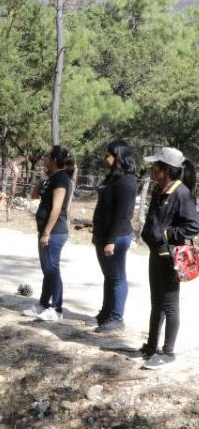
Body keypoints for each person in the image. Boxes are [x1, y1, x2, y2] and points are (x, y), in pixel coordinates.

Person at [137, 146, 199, 370]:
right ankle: (151, 346)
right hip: (157, 255)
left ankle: (168, 352)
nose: (151, 169)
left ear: (165, 170)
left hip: (171, 258)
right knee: (156, 302)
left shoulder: (181, 194)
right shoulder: (158, 189)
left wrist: (165, 234)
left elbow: (193, 226)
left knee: (170, 306)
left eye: (155, 166)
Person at [91, 140, 138, 334]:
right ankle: (106, 313)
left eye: (108, 154)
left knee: (117, 277)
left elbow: (123, 214)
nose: (105, 157)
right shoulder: (112, 178)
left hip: (116, 237)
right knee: (109, 276)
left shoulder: (127, 181)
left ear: (118, 157)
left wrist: (110, 240)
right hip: (104, 235)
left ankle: (116, 318)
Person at [24, 145, 73, 322]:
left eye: (46, 156)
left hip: (55, 232)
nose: (43, 158)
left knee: (52, 270)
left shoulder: (61, 179)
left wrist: (46, 232)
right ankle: (43, 304)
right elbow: (34, 195)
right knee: (48, 270)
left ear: (53, 159)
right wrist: (42, 178)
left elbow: (57, 208)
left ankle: (57, 308)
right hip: (45, 231)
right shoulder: (51, 178)